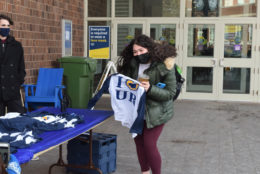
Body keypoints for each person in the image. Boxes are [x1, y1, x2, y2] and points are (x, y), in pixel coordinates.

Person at [117, 35, 177, 174]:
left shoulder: (165, 65)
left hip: (157, 111)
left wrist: (150, 89)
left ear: (149, 49)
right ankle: (145, 171)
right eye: (135, 52)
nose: (138, 54)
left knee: (149, 144)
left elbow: (170, 93)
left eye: (141, 50)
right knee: (139, 142)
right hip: (137, 110)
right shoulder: (132, 63)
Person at [0, 14, 26, 115]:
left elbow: (21, 68)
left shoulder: (17, 46)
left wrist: (17, 82)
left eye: (8, 26)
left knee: (16, 122)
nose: (6, 28)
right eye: (3, 26)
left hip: (13, 90)